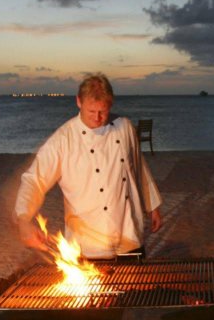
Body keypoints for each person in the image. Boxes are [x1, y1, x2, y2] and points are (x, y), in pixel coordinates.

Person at [14, 74, 162, 258]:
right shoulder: (63, 139)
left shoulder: (125, 127)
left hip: (129, 236)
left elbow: (139, 169)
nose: (98, 118)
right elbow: (34, 180)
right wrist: (23, 219)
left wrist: (152, 205)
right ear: (78, 102)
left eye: (103, 111)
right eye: (92, 111)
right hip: (87, 246)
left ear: (111, 104)